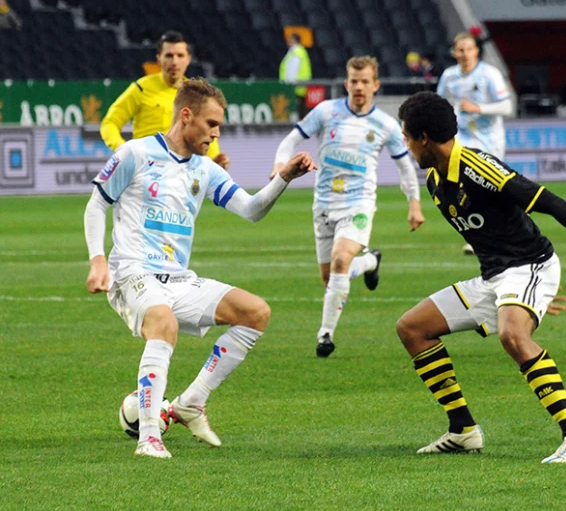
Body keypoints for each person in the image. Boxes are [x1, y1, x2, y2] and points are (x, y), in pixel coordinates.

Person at [396, 91, 566, 462]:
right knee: (412, 328)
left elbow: (549, 202)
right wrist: (520, 300)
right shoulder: (436, 179)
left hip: (531, 264)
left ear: (422, 138)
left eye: (405, 135)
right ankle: (463, 430)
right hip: (495, 278)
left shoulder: (477, 168)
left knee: (513, 336)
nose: (404, 143)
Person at [84, 78, 315, 458]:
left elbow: (251, 209)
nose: (216, 133)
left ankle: (190, 402)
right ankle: (149, 438)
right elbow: (96, 205)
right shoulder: (135, 154)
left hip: (177, 279)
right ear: (186, 116)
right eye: (211, 124)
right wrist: (97, 260)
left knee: (255, 312)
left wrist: (284, 178)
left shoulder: (204, 170)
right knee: (164, 324)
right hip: (132, 273)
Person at [272, 56, 425, 358]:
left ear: (375, 85)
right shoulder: (326, 112)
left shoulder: (385, 124)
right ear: (346, 83)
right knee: (331, 280)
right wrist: (280, 164)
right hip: (324, 203)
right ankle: (370, 262)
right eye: (354, 81)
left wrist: (414, 204)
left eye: (365, 81)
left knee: (341, 260)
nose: (359, 87)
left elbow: (406, 167)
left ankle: (325, 335)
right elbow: (290, 140)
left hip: (359, 202)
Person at [100, 31, 230, 170]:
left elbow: (206, 129)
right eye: (169, 55)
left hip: (182, 172)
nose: (174, 62)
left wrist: (214, 158)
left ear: (188, 59)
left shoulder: (195, 95)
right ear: (159, 59)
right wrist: (122, 148)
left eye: (180, 56)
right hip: (146, 169)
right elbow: (110, 123)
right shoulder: (141, 88)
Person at [437, 32, 514, 255]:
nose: (465, 54)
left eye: (468, 49)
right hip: (462, 139)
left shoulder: (489, 74)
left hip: (489, 140)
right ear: (454, 53)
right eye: (460, 50)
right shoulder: (449, 76)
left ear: (476, 51)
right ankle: (478, 236)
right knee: (466, 187)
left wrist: (479, 109)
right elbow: (440, 104)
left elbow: (507, 107)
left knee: (492, 187)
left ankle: (508, 227)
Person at [279, 33, 312, 119]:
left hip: (296, 86)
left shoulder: (296, 52)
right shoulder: (298, 51)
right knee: (301, 109)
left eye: (290, 39)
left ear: (295, 40)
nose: (287, 41)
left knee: (299, 110)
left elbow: (292, 70)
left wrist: (289, 84)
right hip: (299, 86)